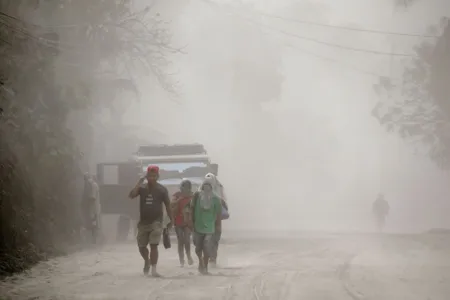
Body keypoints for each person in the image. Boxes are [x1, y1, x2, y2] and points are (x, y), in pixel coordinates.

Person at [129, 165, 173, 277]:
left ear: (157, 176)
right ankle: (146, 261)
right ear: (146, 176)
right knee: (141, 247)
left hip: (156, 222)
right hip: (143, 222)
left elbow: (168, 205)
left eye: (154, 176)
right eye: (149, 176)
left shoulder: (162, 190)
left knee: (154, 245)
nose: (151, 178)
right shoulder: (142, 188)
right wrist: (139, 182)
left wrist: (171, 220)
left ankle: (154, 270)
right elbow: (131, 195)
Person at [188, 177, 222, 274]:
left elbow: (218, 214)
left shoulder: (216, 199)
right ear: (202, 187)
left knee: (207, 246)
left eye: (209, 187)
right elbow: (191, 208)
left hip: (210, 228)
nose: (206, 188)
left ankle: (205, 266)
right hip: (197, 226)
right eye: (204, 187)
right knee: (198, 247)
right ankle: (200, 261)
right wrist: (190, 221)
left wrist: (218, 225)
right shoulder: (196, 196)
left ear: (211, 188)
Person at [171, 179, 194, 267]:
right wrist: (179, 200)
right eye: (184, 187)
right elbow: (171, 204)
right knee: (180, 241)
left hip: (188, 222)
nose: (186, 189)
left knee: (187, 240)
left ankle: (188, 256)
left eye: (188, 187)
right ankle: (181, 260)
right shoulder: (177, 195)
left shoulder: (192, 196)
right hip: (178, 222)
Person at [81, 173, 101, 244]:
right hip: (92, 207)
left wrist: (86, 203)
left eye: (86, 179)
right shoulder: (90, 185)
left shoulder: (93, 185)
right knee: (92, 222)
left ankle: (94, 240)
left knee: (94, 222)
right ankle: (91, 239)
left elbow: (93, 197)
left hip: (94, 207)